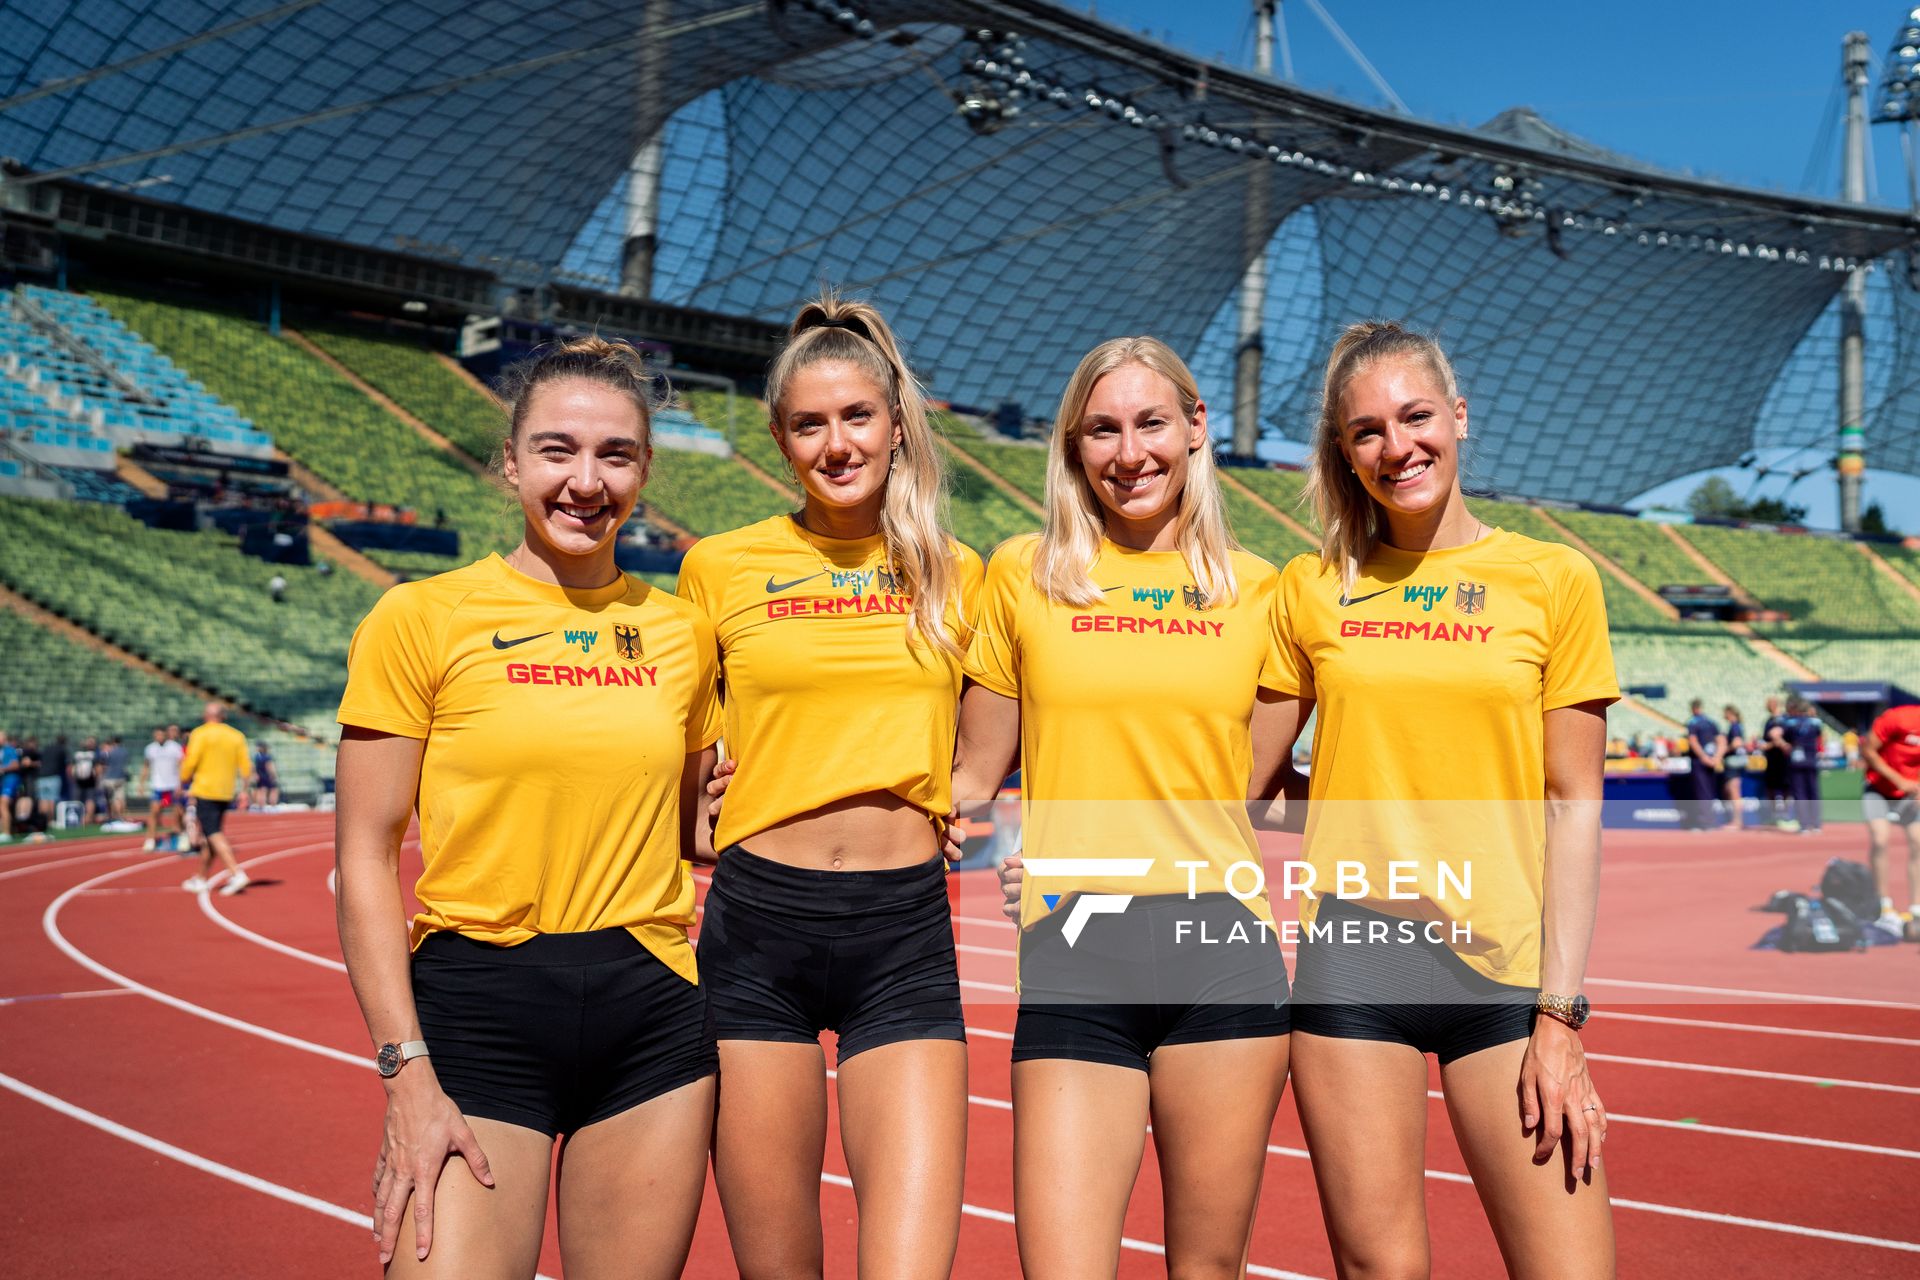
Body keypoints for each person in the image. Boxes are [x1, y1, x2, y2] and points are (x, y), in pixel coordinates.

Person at [336, 335, 721, 1278]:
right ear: (510, 462)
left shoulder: (682, 634)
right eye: (557, 449)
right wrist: (405, 1074)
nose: (584, 481)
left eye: (614, 454)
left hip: (652, 1015)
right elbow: (362, 859)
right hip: (479, 1014)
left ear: (643, 469)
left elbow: (693, 826)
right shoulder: (421, 618)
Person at [1257, 321, 1616, 1277]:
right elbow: (1248, 789)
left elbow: (1574, 802)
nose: (1397, 446)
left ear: (1459, 417)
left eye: (1416, 416)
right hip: (1354, 967)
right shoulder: (1311, 588)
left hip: (1506, 976)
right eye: (1367, 430)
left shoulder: (1555, 580)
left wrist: (1561, 1017)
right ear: (1344, 450)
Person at [959, 336, 1293, 1278]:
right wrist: (998, 848)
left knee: (1205, 1268)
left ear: (1196, 427)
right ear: (1073, 446)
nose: (1128, 452)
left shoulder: (1262, 590)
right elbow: (972, 779)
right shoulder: (1027, 573)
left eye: (1151, 422)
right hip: (1076, 953)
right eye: (1101, 429)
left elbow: (1248, 794)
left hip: (1224, 955)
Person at [677, 295, 979, 1279]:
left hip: (905, 935)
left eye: (857, 416)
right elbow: (672, 744)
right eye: (810, 423)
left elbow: (1006, 735)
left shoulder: (957, 573)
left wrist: (964, 796)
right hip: (757, 928)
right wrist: (693, 811)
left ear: (896, 423)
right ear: (778, 435)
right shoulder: (718, 567)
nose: (836, 442)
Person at [178, 704, 254, 896]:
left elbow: (191, 760)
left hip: (205, 789)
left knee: (213, 832)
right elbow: (245, 766)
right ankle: (202, 878)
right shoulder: (236, 735)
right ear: (223, 716)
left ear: (206, 715)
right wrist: (244, 791)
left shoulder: (200, 733)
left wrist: (184, 778)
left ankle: (236, 872)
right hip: (226, 791)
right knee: (211, 834)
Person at [1861, 701, 1920, 931]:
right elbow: (1867, 750)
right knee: (1880, 839)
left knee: (1917, 843)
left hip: (1912, 793)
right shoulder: (1897, 718)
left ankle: (1916, 909)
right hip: (1879, 789)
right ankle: (1883, 907)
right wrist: (1898, 780)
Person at [1682, 699, 1723, 832]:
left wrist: (1703, 757)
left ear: (1693, 708)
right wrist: (1716, 758)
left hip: (1700, 762)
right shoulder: (1711, 722)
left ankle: (1704, 823)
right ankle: (1709, 821)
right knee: (1709, 791)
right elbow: (1721, 741)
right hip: (1711, 760)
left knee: (1701, 792)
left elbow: (1693, 741)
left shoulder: (1693, 722)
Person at [1785, 697, 1824, 835]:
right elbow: (1819, 738)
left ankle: (1804, 825)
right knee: (1813, 792)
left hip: (1796, 761)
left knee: (1800, 793)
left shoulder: (1790, 724)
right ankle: (1816, 824)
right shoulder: (1815, 723)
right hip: (1811, 760)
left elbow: (1787, 740)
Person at [141, 725, 184, 850]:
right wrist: (141, 783)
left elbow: (181, 766)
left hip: (172, 786)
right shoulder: (150, 749)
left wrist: (180, 784)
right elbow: (146, 766)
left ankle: (180, 836)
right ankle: (151, 839)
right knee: (154, 812)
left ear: (166, 735)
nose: (159, 737)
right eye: (157, 735)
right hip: (158, 786)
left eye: (161, 734)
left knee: (177, 813)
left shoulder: (174, 747)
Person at [1760, 695, 1793, 828]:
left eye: (1768, 703)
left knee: (1785, 786)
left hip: (1783, 760)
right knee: (1771, 787)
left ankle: (1784, 814)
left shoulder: (1785, 719)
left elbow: (1784, 739)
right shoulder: (1768, 721)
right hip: (1771, 759)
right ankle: (1774, 815)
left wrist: (1770, 745)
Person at [1720, 706, 1747, 832]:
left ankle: (1737, 821)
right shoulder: (1737, 725)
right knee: (1731, 790)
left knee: (1734, 791)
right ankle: (1736, 820)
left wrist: (1724, 749)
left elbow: (1737, 743)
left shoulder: (1735, 726)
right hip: (1735, 761)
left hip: (1733, 762)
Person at [71, 735, 100, 826]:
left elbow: (72, 768)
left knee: (77, 800)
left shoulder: (78, 754)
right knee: (90, 799)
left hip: (79, 780)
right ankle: (88, 819)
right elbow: (98, 769)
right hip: (90, 780)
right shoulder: (94, 754)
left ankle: (77, 819)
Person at [100, 735, 129, 821]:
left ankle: (112, 816)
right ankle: (121, 816)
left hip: (109, 778)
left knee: (111, 799)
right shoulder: (124, 751)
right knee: (120, 798)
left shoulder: (109, 751)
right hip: (121, 777)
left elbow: (103, 763)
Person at [0, 730, 19, 841]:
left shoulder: (9, 750)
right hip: (3, 781)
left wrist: (2, 769)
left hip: (10, 780)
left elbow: (15, 765)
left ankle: (7, 833)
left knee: (4, 804)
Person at [252, 741, 280, 809]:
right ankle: (273, 806)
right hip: (267, 776)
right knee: (274, 790)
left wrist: (255, 775)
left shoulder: (256, 756)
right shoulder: (267, 756)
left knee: (261, 791)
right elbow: (270, 767)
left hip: (259, 776)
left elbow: (253, 767)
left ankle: (261, 807)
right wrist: (274, 776)